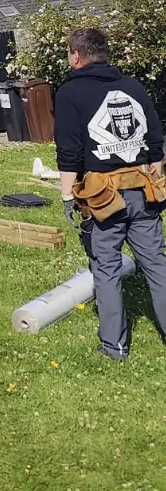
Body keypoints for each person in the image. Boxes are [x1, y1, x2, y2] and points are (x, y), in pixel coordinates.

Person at [55, 27, 166, 360]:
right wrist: (155, 178)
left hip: (104, 199)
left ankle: (113, 348)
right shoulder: (132, 87)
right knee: (157, 265)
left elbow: (69, 152)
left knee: (106, 268)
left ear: (76, 55)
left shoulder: (70, 93)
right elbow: (157, 142)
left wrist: (66, 197)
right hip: (143, 191)